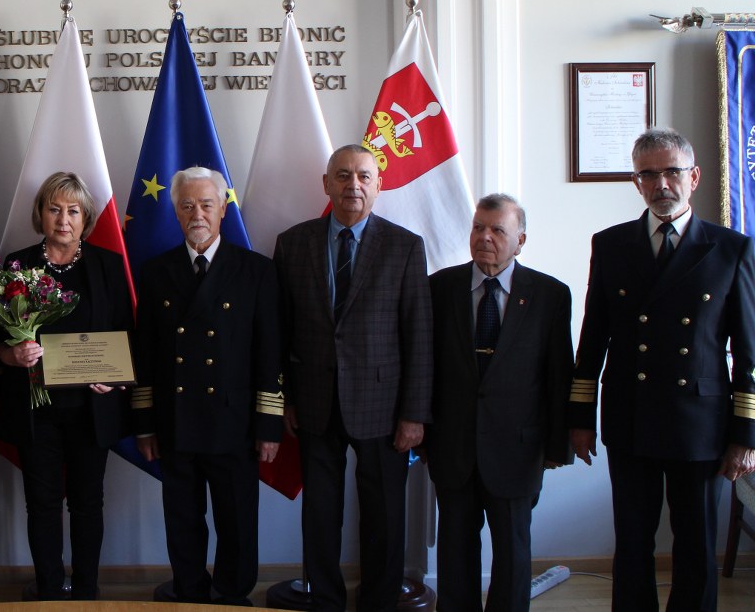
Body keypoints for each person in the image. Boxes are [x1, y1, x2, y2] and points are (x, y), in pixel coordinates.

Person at [569, 127, 755, 612]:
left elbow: (749, 354)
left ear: (693, 176)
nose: (661, 184)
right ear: (636, 183)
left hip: (702, 423)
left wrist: (746, 434)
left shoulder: (730, 249)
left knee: (695, 545)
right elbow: (592, 341)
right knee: (632, 542)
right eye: (648, 174)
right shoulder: (610, 245)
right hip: (631, 417)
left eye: (671, 171)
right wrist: (581, 418)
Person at [275, 143, 433, 612]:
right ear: (326, 184)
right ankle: (324, 599)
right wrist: (283, 398)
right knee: (320, 515)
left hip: (384, 409)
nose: (353, 185)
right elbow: (282, 329)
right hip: (314, 403)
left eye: (364, 176)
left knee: (384, 516)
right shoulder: (293, 243)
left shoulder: (405, 246)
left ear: (379, 186)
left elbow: (419, 337)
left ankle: (379, 601)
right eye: (342, 176)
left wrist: (414, 414)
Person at [132, 166, 283, 605]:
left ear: (223, 209)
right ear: (176, 213)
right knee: (182, 519)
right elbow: (145, 353)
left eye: (206, 204)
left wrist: (269, 425)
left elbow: (269, 352)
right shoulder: (155, 271)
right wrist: (144, 423)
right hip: (175, 421)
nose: (197, 213)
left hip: (234, 422)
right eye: (187, 205)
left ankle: (234, 596)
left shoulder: (256, 270)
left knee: (237, 520)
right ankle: (190, 593)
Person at [424, 194, 573, 612]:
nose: (485, 237)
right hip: (453, 445)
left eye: (497, 230)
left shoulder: (549, 295)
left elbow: (559, 373)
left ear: (520, 240)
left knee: (512, 552)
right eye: (478, 228)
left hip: (518, 449)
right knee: (455, 550)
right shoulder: (439, 288)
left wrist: (558, 446)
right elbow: (423, 367)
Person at [0, 171, 132, 600]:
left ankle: (87, 591)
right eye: (54, 209)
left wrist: (113, 375)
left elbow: (127, 334)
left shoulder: (108, 265)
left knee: (88, 503)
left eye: (73, 210)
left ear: (86, 217)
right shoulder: (15, 266)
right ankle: (50, 590)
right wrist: (12, 355)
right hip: (38, 412)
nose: (63, 219)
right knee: (43, 503)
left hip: (92, 411)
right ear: (40, 214)